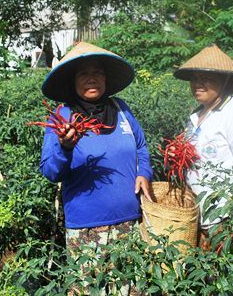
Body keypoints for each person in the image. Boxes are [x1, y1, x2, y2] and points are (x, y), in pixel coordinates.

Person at [39, 42, 152, 293]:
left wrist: (144, 173)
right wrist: (65, 148)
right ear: (73, 81)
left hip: (130, 224)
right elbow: (49, 170)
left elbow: (142, 147)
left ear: (106, 78)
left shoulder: (121, 109)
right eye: (83, 73)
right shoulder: (63, 116)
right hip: (86, 228)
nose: (92, 79)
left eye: (98, 72)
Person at [173, 44, 233, 249]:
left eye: (207, 78)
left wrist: (232, 223)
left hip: (224, 222)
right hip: (199, 218)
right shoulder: (198, 115)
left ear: (225, 81)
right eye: (194, 78)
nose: (198, 83)